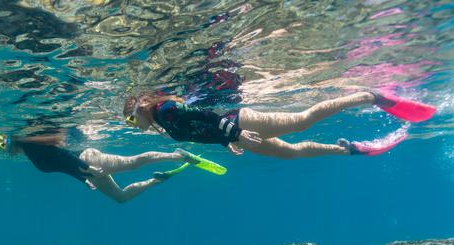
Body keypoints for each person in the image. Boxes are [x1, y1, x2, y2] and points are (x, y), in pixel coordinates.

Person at [123, 91, 435, 158]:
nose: (131, 124)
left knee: (301, 121)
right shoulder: (163, 120)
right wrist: (228, 142)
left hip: (242, 122)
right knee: (291, 153)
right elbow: (200, 130)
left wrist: (234, 132)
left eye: (129, 118)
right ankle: (350, 149)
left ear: (139, 107)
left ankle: (368, 96)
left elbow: (205, 115)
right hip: (237, 134)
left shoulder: (164, 109)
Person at [0, 129, 194, 203]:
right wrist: (84, 179)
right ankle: (157, 179)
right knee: (121, 197)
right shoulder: (31, 152)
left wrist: (87, 168)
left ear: (12, 143)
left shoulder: (32, 147)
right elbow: (61, 165)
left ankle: (178, 155)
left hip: (88, 160)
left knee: (132, 163)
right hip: (87, 171)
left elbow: (62, 155)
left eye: (5, 147)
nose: (8, 152)